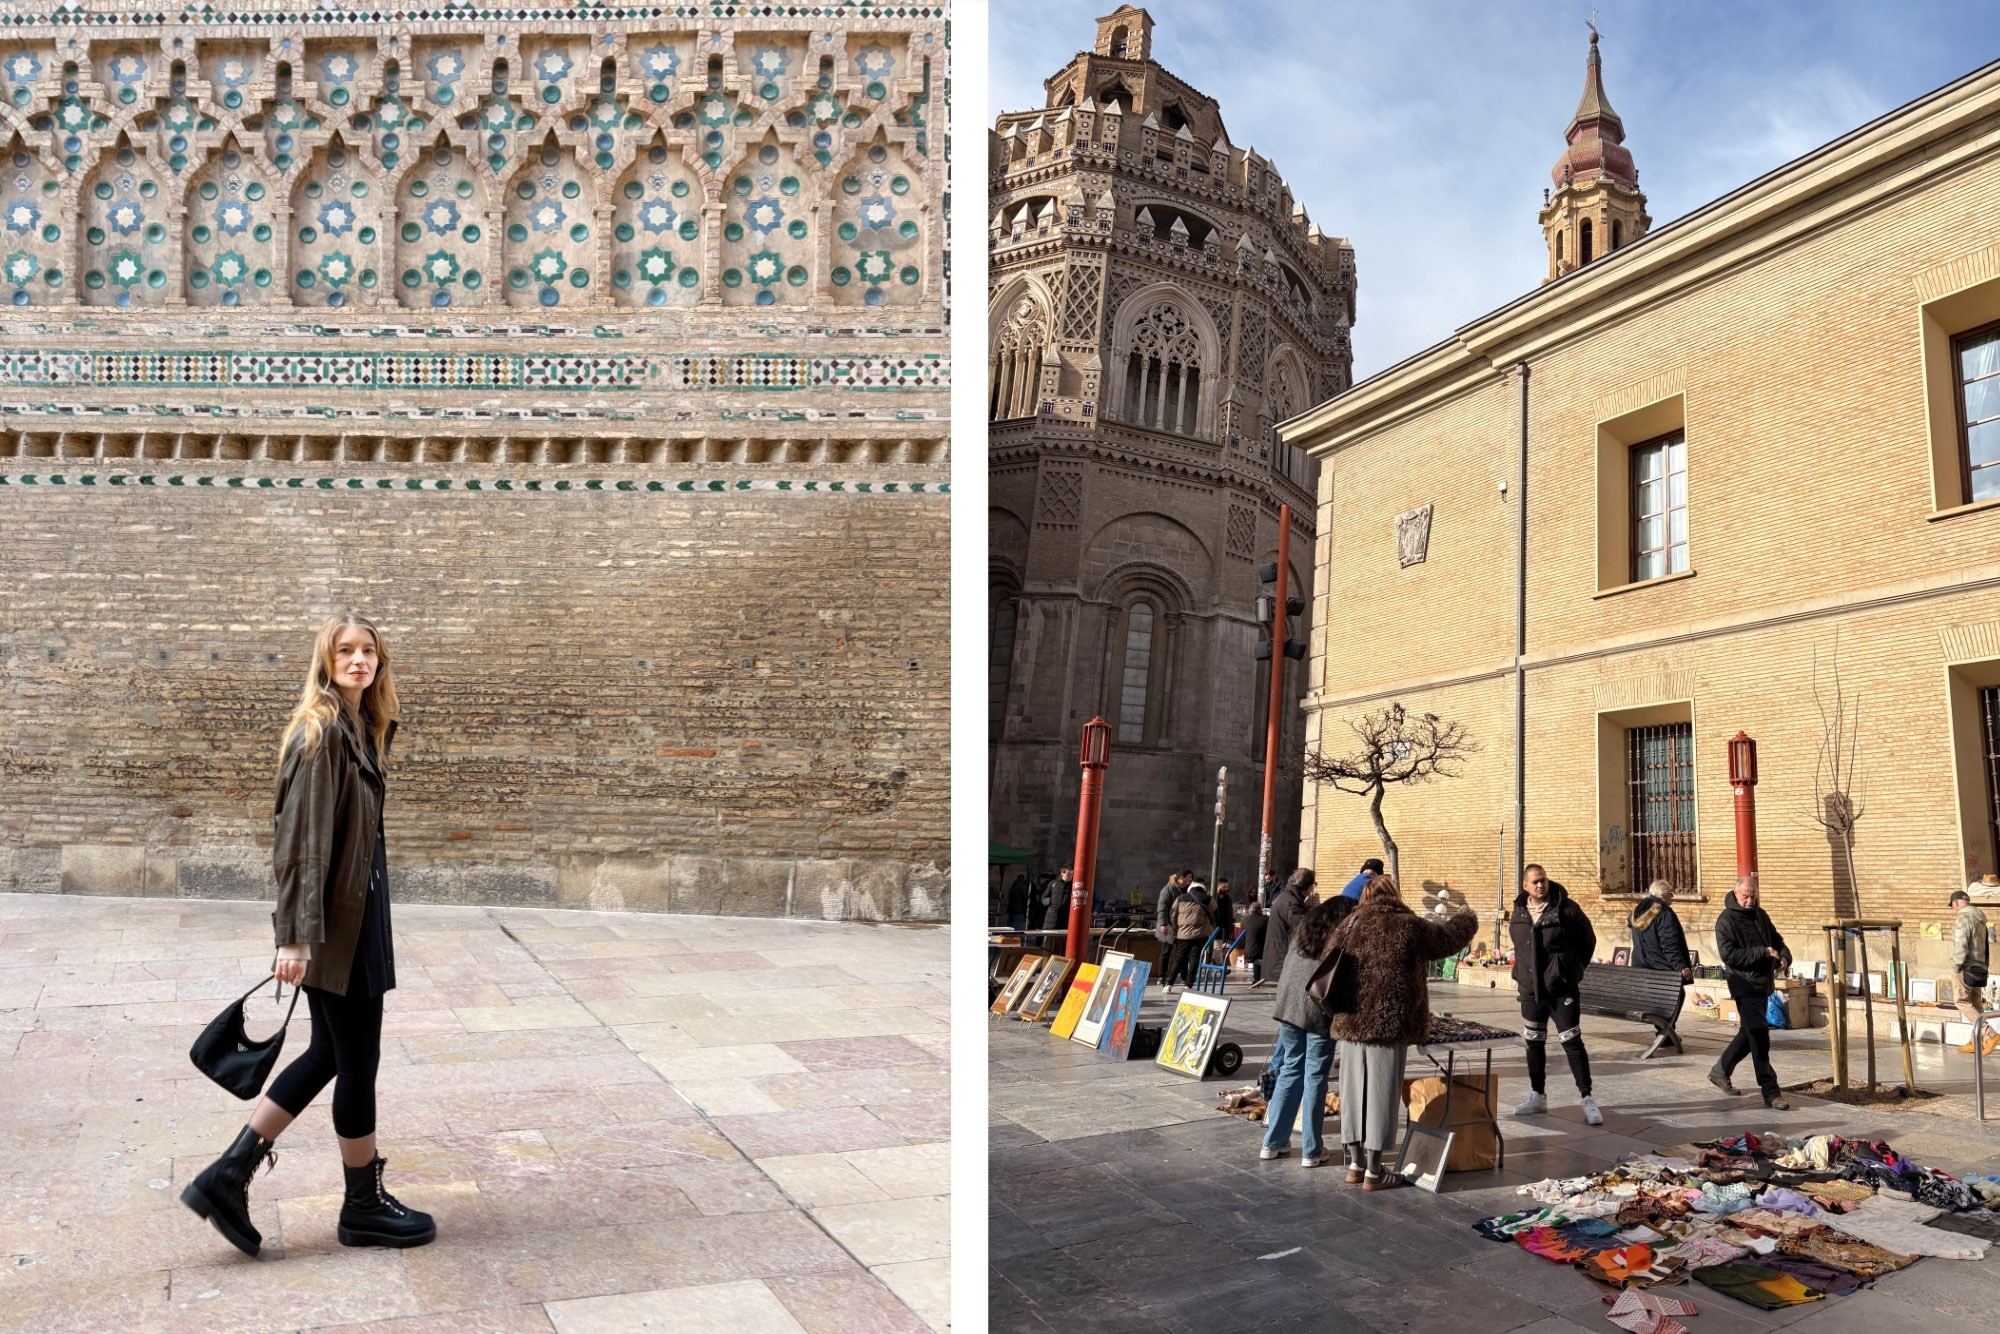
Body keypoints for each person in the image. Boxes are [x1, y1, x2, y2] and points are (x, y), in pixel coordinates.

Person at [180, 614, 436, 1258]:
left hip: (356, 919)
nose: (358, 661)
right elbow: (301, 844)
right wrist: (294, 937)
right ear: (325, 660)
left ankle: (228, 1175)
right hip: (334, 928)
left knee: (329, 1054)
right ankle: (362, 1207)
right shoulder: (321, 732)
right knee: (357, 1065)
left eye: (368, 651)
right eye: (345, 651)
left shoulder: (359, 728)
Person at [1329, 875, 1478, 1188]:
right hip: (1389, 1021)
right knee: (1382, 1094)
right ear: (1394, 895)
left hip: (1351, 1021)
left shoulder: (1350, 924)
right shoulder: (1406, 924)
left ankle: (1355, 1165)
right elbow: (1446, 939)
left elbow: (1326, 959)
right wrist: (1466, 917)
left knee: (1354, 1093)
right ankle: (1374, 1171)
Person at [1260, 894, 1358, 1168]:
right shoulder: (1340, 939)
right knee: (1315, 1076)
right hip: (1318, 1009)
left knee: (1291, 1069)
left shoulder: (1304, 931)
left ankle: (1273, 1142)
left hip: (1289, 1007)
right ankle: (1311, 1150)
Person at [1510, 865, 1602, 1125]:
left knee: (1572, 1042)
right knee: (1534, 1042)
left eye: (1543, 880)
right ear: (1525, 886)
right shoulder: (1518, 912)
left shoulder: (1566, 909)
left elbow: (1588, 941)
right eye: (1535, 882)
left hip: (1562, 990)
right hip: (1531, 991)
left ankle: (1587, 1098)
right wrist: (1521, 974)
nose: (1540, 885)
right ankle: (1537, 1095)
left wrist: (1570, 970)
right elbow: (1520, 946)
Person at [1709, 873, 1794, 1110]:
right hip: (1743, 984)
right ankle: (1771, 1090)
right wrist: (1762, 953)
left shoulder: (1760, 914)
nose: (1750, 900)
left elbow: (1777, 941)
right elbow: (1730, 955)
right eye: (1746, 896)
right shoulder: (1726, 920)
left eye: (1753, 895)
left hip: (1763, 983)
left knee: (1749, 1032)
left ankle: (1720, 1070)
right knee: (1759, 1036)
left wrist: (1784, 957)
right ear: (1736, 893)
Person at [1629, 878, 1694, 1022]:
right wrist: (1680, 966)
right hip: (1660, 966)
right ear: (1663, 896)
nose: (1672, 897)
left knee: (1660, 998)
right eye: (1670, 893)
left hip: (1641, 964)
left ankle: (1665, 1032)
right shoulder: (1663, 914)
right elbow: (1669, 944)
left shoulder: (1638, 910)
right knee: (1676, 995)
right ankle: (1665, 1031)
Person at [1949, 889, 1996, 1055]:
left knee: (1961, 1001)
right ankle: (1976, 1041)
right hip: (1979, 967)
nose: (1953, 909)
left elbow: (1960, 944)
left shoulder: (1963, 918)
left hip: (1965, 967)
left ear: (1956, 903)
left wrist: (1956, 966)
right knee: (1976, 1005)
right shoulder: (1980, 919)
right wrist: (1985, 966)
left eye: (1953, 906)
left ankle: (1990, 1034)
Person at [1259, 868, 1315, 989]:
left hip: (1281, 958)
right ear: (1306, 886)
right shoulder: (1291, 903)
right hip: (1284, 960)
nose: (1313, 889)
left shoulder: (1286, 898)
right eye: (1313, 885)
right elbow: (1305, 928)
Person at [1166, 880, 1214, 989]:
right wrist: (1209, 928)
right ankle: (1189, 984)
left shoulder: (1180, 898)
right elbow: (1216, 914)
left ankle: (1169, 984)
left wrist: (1178, 928)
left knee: (1179, 959)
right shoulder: (1208, 899)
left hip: (1182, 935)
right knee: (1195, 959)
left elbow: (1172, 915)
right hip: (1200, 934)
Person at [1241, 901, 1269, 985]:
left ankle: (1257, 977)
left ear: (1250, 910)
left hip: (1249, 950)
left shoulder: (1244, 920)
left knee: (1256, 953)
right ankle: (1257, 978)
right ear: (1260, 909)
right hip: (1262, 950)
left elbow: (1243, 937)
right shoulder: (1266, 919)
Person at [1040, 865, 1074, 933]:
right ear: (1062, 873)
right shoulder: (1053, 883)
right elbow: (1043, 898)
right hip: (1052, 917)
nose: (1070, 876)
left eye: (1071, 874)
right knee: (1047, 939)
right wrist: (1051, 902)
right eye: (1068, 874)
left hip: (1065, 918)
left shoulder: (1073, 885)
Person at [1212, 878, 1237, 946]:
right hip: (1214, 928)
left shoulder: (1228, 898)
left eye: (1227, 887)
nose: (1226, 889)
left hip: (1226, 929)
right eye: (1224, 887)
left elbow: (1230, 912)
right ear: (1218, 886)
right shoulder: (1212, 897)